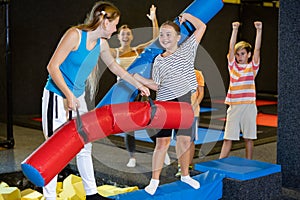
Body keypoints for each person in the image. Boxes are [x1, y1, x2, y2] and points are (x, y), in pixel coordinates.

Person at [41, 2, 149, 200]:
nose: (116, 29)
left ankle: (91, 194)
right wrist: (68, 94)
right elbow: (52, 67)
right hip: (56, 96)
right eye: (115, 24)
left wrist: (137, 84)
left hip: (77, 98)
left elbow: (116, 68)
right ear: (104, 21)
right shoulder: (74, 35)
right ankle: (50, 197)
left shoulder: (102, 44)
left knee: (84, 145)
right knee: (53, 150)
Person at [133, 13, 207, 195]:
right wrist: (139, 79)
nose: (165, 38)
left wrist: (187, 16)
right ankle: (154, 180)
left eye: (169, 34)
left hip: (184, 102)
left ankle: (185, 175)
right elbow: (158, 85)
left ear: (178, 37)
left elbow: (202, 27)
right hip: (164, 103)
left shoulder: (187, 50)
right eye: (162, 35)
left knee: (183, 141)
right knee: (162, 143)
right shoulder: (158, 60)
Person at [109, 5, 161, 168]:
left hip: (140, 89)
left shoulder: (137, 50)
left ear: (131, 36)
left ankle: (161, 150)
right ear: (119, 37)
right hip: (123, 91)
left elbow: (156, 39)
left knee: (149, 122)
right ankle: (132, 157)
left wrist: (153, 19)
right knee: (128, 126)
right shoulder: (114, 52)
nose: (125, 35)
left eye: (128, 33)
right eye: (122, 33)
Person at [219, 21, 262, 160]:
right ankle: (220, 163)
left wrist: (259, 30)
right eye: (238, 54)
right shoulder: (233, 67)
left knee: (249, 138)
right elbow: (230, 48)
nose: (239, 57)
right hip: (234, 106)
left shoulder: (252, 68)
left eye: (242, 54)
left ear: (248, 55)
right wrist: (234, 30)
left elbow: (257, 50)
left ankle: (249, 162)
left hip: (249, 106)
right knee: (227, 138)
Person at [175, 69, 205, 177]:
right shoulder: (176, 73)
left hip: (192, 113)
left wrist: (194, 106)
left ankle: (188, 165)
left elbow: (201, 93)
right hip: (178, 112)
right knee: (179, 140)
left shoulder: (197, 73)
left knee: (190, 140)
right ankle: (180, 165)